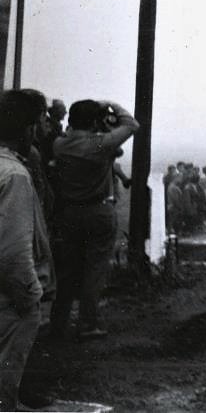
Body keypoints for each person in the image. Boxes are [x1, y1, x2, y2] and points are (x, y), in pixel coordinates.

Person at [50, 99, 139, 340]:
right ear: (93, 121)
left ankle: (57, 323)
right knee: (94, 270)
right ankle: (88, 324)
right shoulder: (102, 144)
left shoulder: (59, 145)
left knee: (67, 270)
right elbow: (131, 125)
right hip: (99, 211)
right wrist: (111, 105)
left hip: (69, 212)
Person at [0, 91, 53, 411]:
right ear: (28, 129)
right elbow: (13, 252)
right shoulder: (15, 175)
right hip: (9, 300)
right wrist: (31, 298)